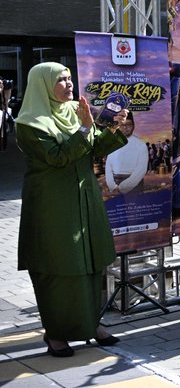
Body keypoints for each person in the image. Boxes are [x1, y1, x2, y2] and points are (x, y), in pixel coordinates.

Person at [16, 63, 127, 356]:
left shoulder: (72, 114)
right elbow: (58, 157)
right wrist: (86, 127)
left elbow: (91, 148)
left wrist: (110, 127)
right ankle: (56, 334)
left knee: (91, 260)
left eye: (69, 78)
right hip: (53, 205)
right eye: (61, 80)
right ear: (43, 85)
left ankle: (91, 324)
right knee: (58, 267)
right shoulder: (29, 123)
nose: (69, 84)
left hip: (84, 197)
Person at [104, 113, 149, 194]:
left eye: (128, 124)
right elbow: (108, 166)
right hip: (114, 183)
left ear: (133, 126)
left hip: (135, 184)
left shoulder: (141, 145)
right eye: (122, 125)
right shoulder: (113, 143)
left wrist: (123, 187)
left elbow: (141, 170)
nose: (125, 127)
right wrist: (112, 186)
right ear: (118, 126)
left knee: (135, 206)